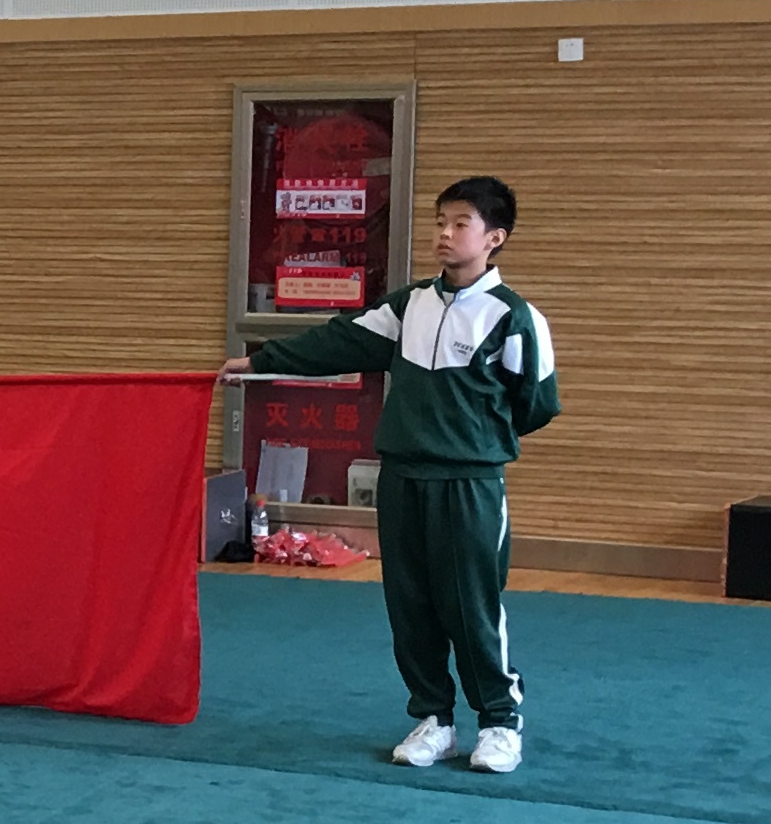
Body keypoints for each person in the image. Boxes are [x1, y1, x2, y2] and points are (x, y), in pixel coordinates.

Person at [227, 174, 558, 771]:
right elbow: (337, 342)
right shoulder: (408, 306)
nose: (445, 233)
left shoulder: (515, 318)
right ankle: (434, 719)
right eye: (440, 222)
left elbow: (536, 405)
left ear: (494, 238)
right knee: (409, 603)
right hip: (402, 480)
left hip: (470, 485)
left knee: (471, 605)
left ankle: (499, 723)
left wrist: (470, 441)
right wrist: (260, 361)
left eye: (461, 224)